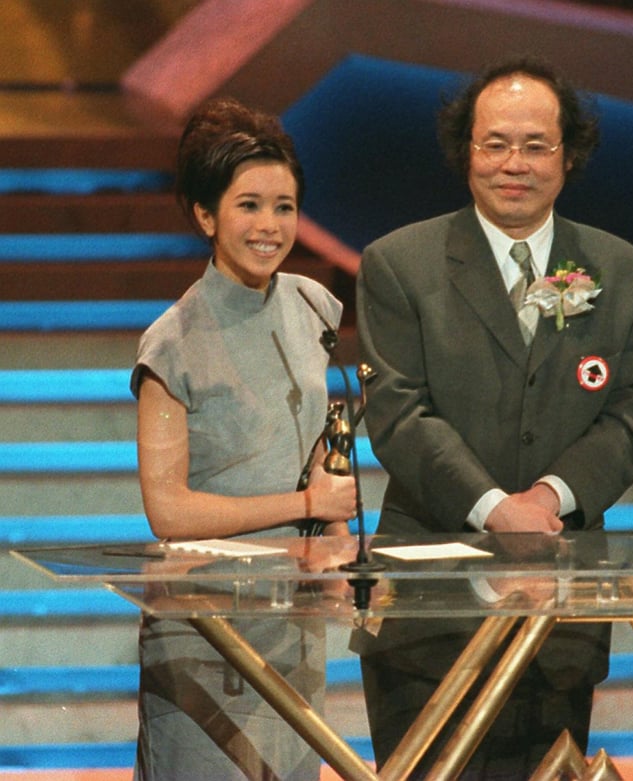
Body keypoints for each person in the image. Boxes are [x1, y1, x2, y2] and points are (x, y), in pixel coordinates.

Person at [353, 55, 633, 777]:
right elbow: (399, 411)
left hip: (561, 614)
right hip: (428, 617)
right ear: (465, 150)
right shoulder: (399, 263)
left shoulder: (626, 274)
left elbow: (629, 413)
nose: (513, 163)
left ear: (568, 155)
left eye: (535, 144)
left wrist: (547, 499)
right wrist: (497, 509)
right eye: (495, 143)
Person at [130, 97, 358, 780]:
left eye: (284, 206)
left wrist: (327, 525)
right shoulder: (171, 344)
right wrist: (301, 506)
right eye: (249, 205)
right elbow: (169, 511)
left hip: (294, 622)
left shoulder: (314, 303)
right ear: (206, 214)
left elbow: (316, 432)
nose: (270, 225)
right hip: (205, 634)